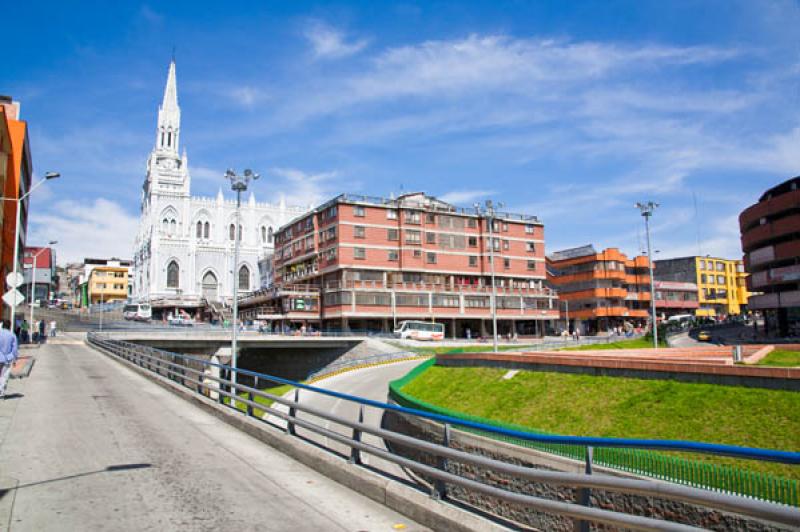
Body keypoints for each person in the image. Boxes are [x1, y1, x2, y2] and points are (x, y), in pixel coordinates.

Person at [0, 320, 19, 398]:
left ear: (2, 325)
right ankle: (1, 393)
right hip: (7, 359)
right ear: (10, 326)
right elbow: (14, 350)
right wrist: (13, 359)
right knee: (4, 376)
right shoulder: (12, 335)